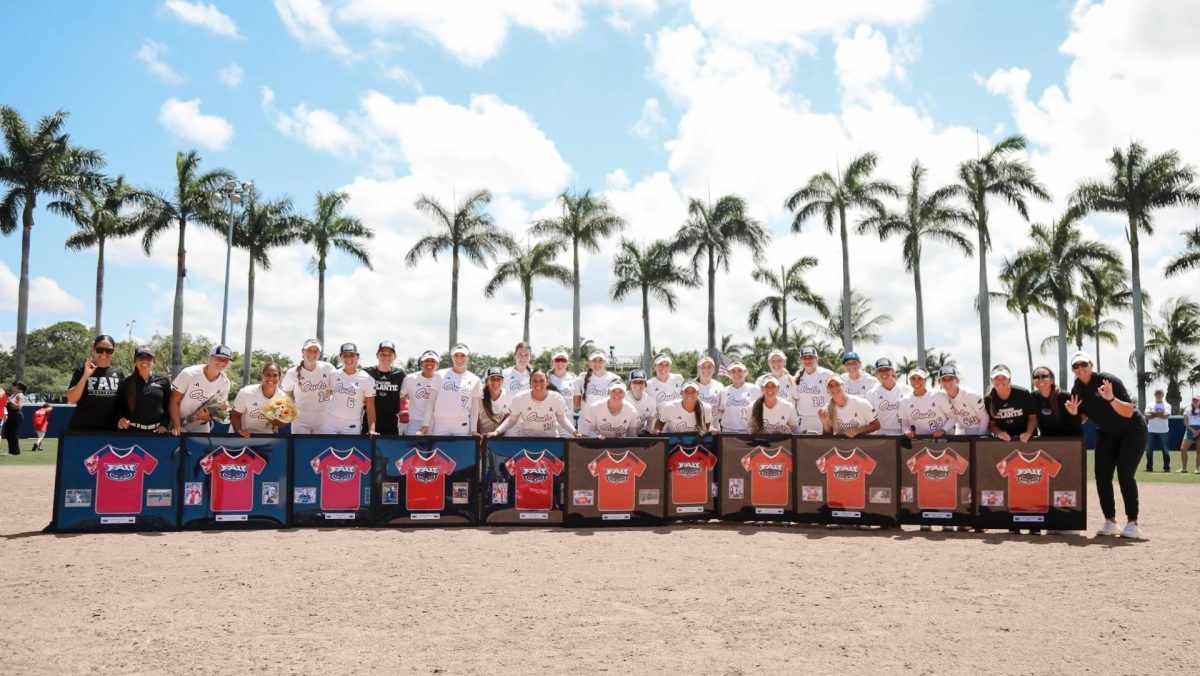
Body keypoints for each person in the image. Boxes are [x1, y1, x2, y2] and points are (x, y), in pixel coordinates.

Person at [1067, 351, 1145, 539]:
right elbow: (1084, 417)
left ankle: (1133, 523)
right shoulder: (1077, 388)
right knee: (1101, 476)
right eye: (1076, 366)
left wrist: (1110, 398)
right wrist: (1075, 413)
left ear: (1091, 365)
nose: (1080, 369)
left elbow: (1128, 412)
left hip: (1132, 430)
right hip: (1107, 432)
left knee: (1125, 475)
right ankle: (1110, 521)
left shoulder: (1108, 380)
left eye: (1083, 364)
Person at [489, 369, 577, 437]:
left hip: (551, 440)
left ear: (547, 382)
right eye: (535, 380)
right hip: (527, 440)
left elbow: (562, 419)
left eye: (542, 380)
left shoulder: (557, 398)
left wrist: (575, 432)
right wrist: (497, 432)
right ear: (530, 382)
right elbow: (512, 420)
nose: (538, 384)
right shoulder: (519, 398)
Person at [169, 345, 234, 435]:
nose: (222, 362)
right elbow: (174, 400)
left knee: (202, 449)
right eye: (219, 358)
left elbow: (218, 410)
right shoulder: (189, 373)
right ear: (210, 357)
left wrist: (208, 417)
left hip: (200, 426)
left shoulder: (225, 383)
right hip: (178, 424)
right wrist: (176, 424)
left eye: (226, 360)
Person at [419, 344, 482, 436]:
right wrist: (425, 424)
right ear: (452, 357)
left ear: (468, 357)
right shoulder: (440, 375)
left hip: (462, 425)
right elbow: (431, 402)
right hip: (440, 424)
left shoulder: (475, 380)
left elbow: (474, 408)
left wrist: (473, 430)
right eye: (456, 355)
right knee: (439, 450)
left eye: (463, 355)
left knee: (460, 451)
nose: (459, 358)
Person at [66, 334, 125, 431]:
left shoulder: (118, 373)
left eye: (109, 350)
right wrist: (85, 376)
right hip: (82, 430)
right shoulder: (82, 370)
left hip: (109, 431)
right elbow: (71, 399)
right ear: (94, 350)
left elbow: (122, 402)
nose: (104, 353)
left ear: (113, 352)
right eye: (100, 350)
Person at [280, 339, 335, 434]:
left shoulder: (328, 368)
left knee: (321, 448)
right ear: (303, 352)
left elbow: (336, 389)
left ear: (319, 354)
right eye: (309, 350)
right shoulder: (292, 372)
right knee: (301, 448)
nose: (312, 353)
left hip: (323, 420)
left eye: (315, 351)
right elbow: (284, 393)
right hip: (301, 420)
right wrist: (290, 408)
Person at [323, 343, 377, 435]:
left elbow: (370, 407)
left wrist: (372, 429)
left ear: (357, 357)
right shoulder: (333, 375)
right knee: (327, 448)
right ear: (341, 357)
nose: (348, 359)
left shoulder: (367, 379)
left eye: (352, 355)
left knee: (349, 449)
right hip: (330, 423)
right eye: (345, 355)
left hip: (351, 425)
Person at [115, 345, 171, 434]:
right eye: (140, 358)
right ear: (135, 361)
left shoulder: (164, 381)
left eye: (149, 358)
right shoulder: (126, 383)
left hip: (157, 433)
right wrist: (120, 419)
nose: (144, 361)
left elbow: (169, 405)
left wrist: (164, 425)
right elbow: (118, 407)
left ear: (154, 362)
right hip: (132, 433)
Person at [231, 363, 289, 437]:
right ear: (262, 376)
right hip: (243, 437)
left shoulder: (283, 398)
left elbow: (280, 423)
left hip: (265, 438)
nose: (271, 377)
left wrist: (278, 421)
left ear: (279, 377)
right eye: (268, 374)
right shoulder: (247, 392)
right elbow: (234, 415)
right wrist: (240, 432)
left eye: (275, 375)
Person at [984, 365, 1037, 443]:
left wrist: (1028, 433)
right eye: (996, 378)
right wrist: (999, 433)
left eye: (1004, 378)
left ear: (1009, 380)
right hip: (1004, 441)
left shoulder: (1023, 393)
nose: (1000, 381)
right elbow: (992, 424)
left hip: (1027, 440)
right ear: (992, 381)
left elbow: (1032, 417)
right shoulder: (988, 399)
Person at [365, 341, 406, 436]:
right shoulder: (367, 372)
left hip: (391, 422)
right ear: (377, 355)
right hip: (369, 420)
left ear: (394, 357)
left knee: (390, 450)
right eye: (382, 354)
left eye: (389, 354)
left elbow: (407, 394)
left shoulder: (400, 374)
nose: (386, 357)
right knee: (367, 450)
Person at [899, 369, 954, 438]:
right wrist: (907, 432)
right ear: (910, 381)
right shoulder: (904, 401)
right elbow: (905, 425)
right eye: (913, 378)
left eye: (920, 378)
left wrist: (943, 430)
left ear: (925, 380)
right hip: (921, 442)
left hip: (945, 439)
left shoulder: (938, 395)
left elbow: (953, 417)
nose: (916, 381)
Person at [935, 366, 989, 436]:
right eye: (944, 379)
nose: (947, 382)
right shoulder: (943, 397)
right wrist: (943, 429)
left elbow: (984, 418)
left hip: (979, 430)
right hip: (961, 432)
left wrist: (980, 436)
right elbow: (953, 418)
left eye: (951, 378)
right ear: (940, 383)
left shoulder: (971, 395)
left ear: (957, 380)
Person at [1030, 366, 1082, 437]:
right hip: (1046, 440)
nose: (1040, 379)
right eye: (1036, 377)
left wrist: (1074, 414)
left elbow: (1078, 423)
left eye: (1044, 376)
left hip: (1070, 439)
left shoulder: (1064, 396)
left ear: (1052, 380)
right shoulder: (1033, 397)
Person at [793, 346, 834, 433]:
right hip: (803, 419)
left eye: (811, 357)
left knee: (824, 445)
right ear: (801, 361)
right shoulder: (797, 376)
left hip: (823, 418)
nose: (808, 361)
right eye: (804, 358)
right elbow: (796, 399)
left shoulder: (827, 374)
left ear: (817, 359)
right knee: (803, 446)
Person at [866, 358, 911, 435]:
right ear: (876, 374)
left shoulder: (908, 390)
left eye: (887, 369)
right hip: (881, 435)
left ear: (893, 371)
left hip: (904, 434)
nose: (884, 373)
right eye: (880, 370)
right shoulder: (871, 394)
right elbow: (868, 419)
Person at [400, 350, 440, 435]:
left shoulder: (442, 380)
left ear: (437, 364)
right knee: (413, 448)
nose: (429, 363)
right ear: (421, 363)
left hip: (436, 424)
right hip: (415, 423)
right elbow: (400, 397)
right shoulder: (410, 378)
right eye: (426, 360)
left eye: (433, 361)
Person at [717, 361, 760, 433]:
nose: (737, 373)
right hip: (727, 431)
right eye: (733, 371)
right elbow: (720, 412)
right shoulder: (723, 391)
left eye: (740, 370)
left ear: (745, 372)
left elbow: (760, 410)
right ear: (729, 374)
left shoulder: (754, 389)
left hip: (749, 432)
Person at [478, 366, 511, 435]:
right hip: (483, 437)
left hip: (500, 436)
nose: (495, 381)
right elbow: (475, 419)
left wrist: (498, 432)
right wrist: (478, 437)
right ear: (487, 381)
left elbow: (509, 417)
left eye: (498, 378)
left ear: (502, 381)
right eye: (492, 378)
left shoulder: (507, 395)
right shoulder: (479, 396)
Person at [1144, 389, 1171, 472]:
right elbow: (1146, 416)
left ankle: (1167, 468)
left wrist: (1153, 413)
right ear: (1155, 395)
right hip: (1151, 431)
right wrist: (1160, 413)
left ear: (1163, 395)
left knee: (1165, 451)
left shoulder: (1167, 405)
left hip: (1163, 431)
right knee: (1148, 450)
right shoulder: (1150, 404)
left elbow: (1166, 415)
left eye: (1160, 394)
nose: (1159, 395)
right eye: (1157, 394)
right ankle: (1149, 467)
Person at [627, 369, 657, 435]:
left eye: (641, 382)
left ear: (645, 384)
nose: (638, 385)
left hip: (639, 437)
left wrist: (647, 432)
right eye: (634, 382)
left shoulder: (651, 401)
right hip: (621, 437)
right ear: (630, 384)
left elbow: (650, 421)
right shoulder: (623, 398)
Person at [3, 382, 27, 455]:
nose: (12, 388)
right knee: (7, 433)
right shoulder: (14, 395)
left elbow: (19, 406)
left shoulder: (20, 395)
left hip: (16, 415)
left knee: (13, 433)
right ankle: (11, 451)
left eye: (13, 386)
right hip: (11, 415)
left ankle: (15, 452)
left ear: (17, 387)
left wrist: (9, 400)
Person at [1180, 396, 1200, 473]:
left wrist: (1198, 431)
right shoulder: (1188, 409)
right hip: (1190, 429)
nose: (1195, 401)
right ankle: (1184, 468)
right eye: (1194, 400)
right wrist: (1192, 430)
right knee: (1183, 449)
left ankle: (1197, 469)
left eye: (1197, 400)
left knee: (1199, 451)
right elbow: (1185, 422)